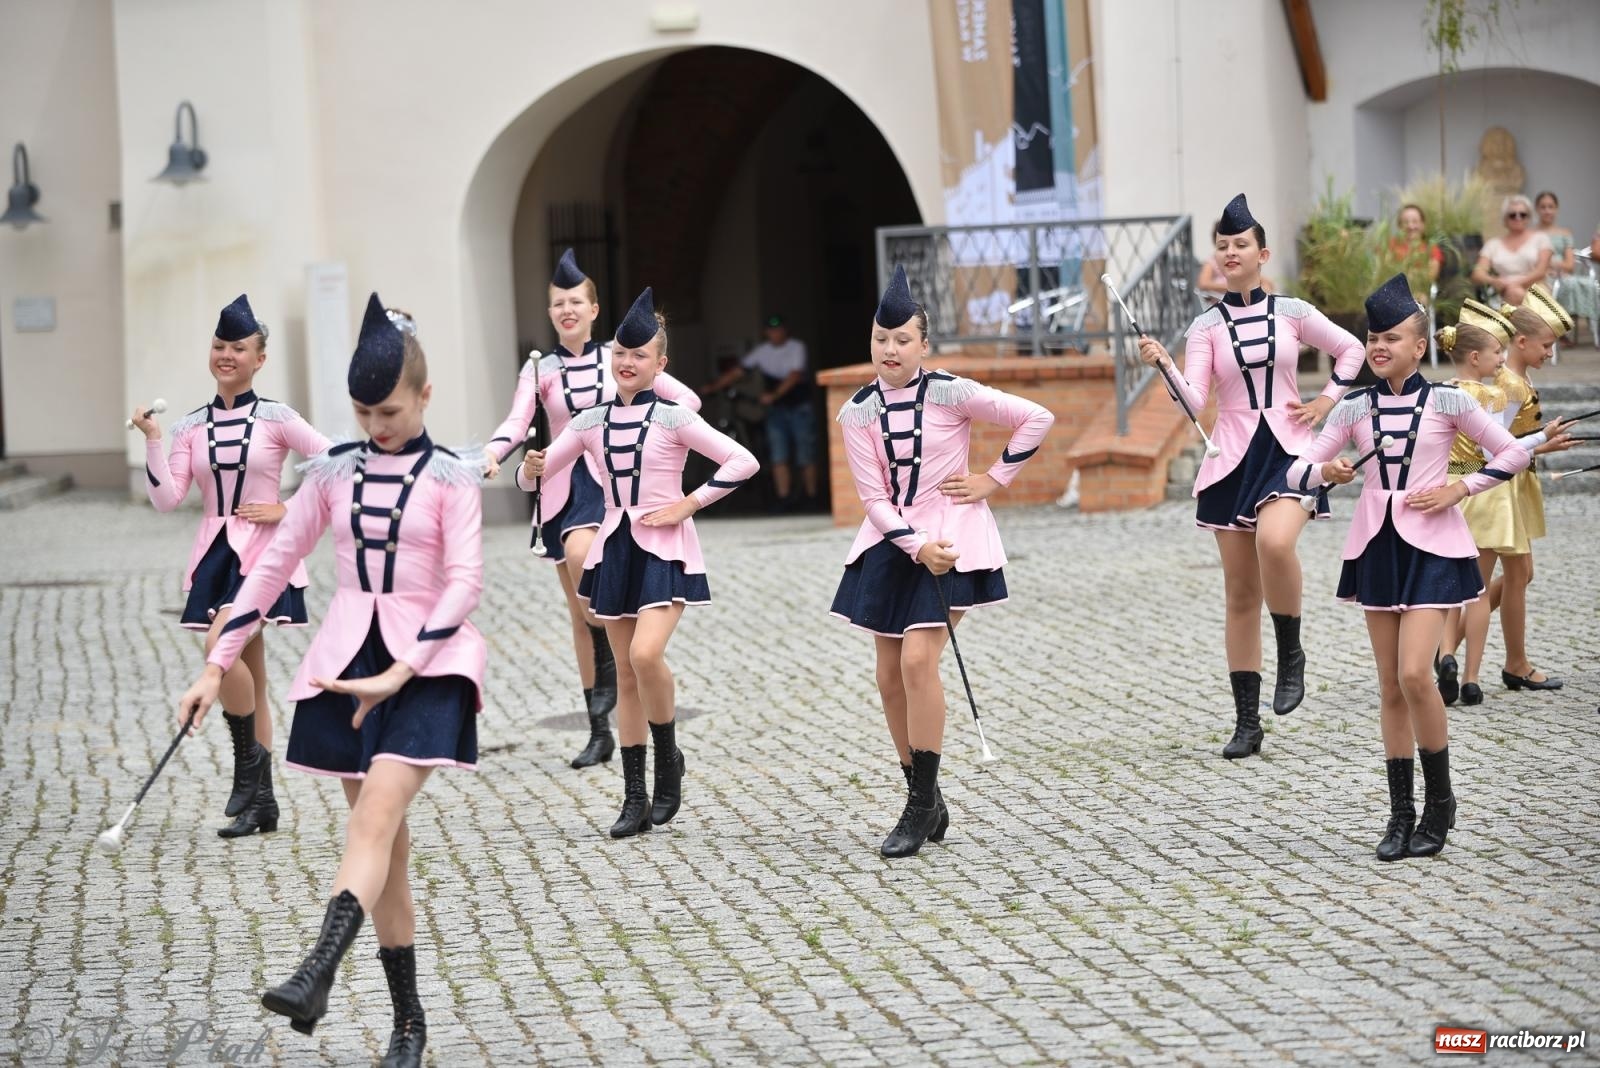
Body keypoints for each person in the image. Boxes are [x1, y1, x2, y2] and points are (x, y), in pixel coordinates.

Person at [177, 295, 486, 1066]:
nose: (375, 426)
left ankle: (316, 970)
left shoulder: (452, 479)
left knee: (374, 821)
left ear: (424, 395)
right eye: (361, 411)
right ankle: (409, 1024)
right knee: (386, 848)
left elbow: (465, 580)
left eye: (388, 410)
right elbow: (273, 564)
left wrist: (404, 669)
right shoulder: (330, 474)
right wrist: (216, 666)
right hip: (346, 665)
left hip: (428, 668)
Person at [1287, 274, 1532, 861]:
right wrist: (1330, 474)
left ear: (1419, 346)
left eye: (1392, 338)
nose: (1379, 347)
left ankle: (1440, 806)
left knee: (1418, 675)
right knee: (1391, 686)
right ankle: (1400, 815)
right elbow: (1296, 470)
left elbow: (1514, 452)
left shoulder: (1449, 401)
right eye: (1373, 337)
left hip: (1434, 549)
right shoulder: (1354, 407)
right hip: (1377, 549)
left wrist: (1459, 490)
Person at [830, 265, 1053, 857]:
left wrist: (993, 478)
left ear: (924, 346)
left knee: (918, 660)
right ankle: (925, 794)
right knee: (887, 675)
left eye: (903, 340)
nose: (890, 350)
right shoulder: (856, 412)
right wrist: (912, 545)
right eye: (881, 339)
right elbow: (873, 498)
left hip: (954, 541)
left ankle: (918, 806)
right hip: (894, 542)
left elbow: (1036, 417)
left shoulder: (953, 391)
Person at [520, 288, 758, 838]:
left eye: (641, 356)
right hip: (614, 548)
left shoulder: (675, 418)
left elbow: (742, 460)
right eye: (621, 355)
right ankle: (633, 795)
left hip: (666, 547)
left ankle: (668, 757)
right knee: (626, 671)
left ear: (660, 364)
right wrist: (530, 468)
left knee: (646, 655)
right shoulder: (589, 421)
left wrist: (688, 502)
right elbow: (535, 475)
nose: (628, 363)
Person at [1137, 194, 1365, 759]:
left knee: (1276, 539)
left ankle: (1291, 648)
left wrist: (1327, 401)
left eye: (1241, 245)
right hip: (1231, 456)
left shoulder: (1293, 311)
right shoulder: (1204, 327)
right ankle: (1246, 722)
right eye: (1222, 246)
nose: (1230, 253)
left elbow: (1352, 349)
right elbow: (1194, 398)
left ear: (1262, 254)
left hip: (1290, 449)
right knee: (1240, 594)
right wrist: (1164, 364)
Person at [481, 249, 701, 770]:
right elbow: (518, 421)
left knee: (596, 599)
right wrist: (493, 452)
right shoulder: (542, 369)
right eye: (558, 303)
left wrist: (655, 442)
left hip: (615, 485)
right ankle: (599, 726)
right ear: (551, 311)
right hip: (562, 485)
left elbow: (685, 401)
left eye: (576, 301)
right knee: (581, 613)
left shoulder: (621, 355)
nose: (567, 310)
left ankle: (619, 692)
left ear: (595, 308)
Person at [134, 294, 330, 838]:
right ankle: (260, 801)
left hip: (267, 556)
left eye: (238, 348)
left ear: (259, 359)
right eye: (219, 346)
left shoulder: (279, 418)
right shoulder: (190, 427)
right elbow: (168, 498)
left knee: (219, 645)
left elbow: (338, 465)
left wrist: (287, 508)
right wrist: (154, 440)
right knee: (252, 677)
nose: (226, 355)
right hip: (214, 558)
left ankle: (246, 773)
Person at [1484, 285, 1577, 693]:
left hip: (1513, 483)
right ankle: (1514, 662)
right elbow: (1493, 440)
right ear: (1521, 342)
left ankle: (1446, 645)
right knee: (1509, 575)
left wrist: (1542, 436)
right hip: (1499, 486)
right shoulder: (1509, 384)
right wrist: (1544, 441)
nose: (1550, 353)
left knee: (1520, 573)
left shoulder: (1512, 379)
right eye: (1546, 345)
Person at [1433, 300, 1519, 706]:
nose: (1501, 359)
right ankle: (1470, 678)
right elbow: (1495, 447)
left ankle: (1445, 654)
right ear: (1474, 357)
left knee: (1450, 586)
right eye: (1496, 352)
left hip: (1448, 486)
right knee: (1479, 591)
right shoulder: (1491, 397)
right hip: (1480, 489)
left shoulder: (1440, 393)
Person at [704, 314, 818, 511]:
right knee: (778, 455)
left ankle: (811, 498)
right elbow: (739, 371)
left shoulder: (796, 347)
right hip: (776, 411)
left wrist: (774, 395)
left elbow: (794, 376)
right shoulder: (762, 352)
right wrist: (713, 388)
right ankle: (784, 499)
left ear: (785, 330)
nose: (775, 333)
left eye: (779, 328)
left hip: (799, 408)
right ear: (766, 332)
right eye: (771, 330)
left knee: (805, 454)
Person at [1471, 194, 1551, 307]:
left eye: (1522, 214)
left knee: (1515, 293)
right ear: (1505, 219)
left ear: (1529, 217)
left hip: (1535, 288)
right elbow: (1477, 274)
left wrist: (1515, 284)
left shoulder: (1541, 238)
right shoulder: (1493, 244)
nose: (1518, 218)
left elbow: (1541, 271)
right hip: (1501, 291)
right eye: (1513, 215)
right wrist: (1493, 281)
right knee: (1514, 293)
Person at [1535, 191, 1599, 332]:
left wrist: (1553, 266)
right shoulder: (1531, 233)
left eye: (1550, 207)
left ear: (1556, 209)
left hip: (1561, 276)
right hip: (1537, 275)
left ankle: (1562, 328)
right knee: (1541, 286)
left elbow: (1569, 265)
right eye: (1543, 207)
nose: (1547, 211)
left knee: (1571, 285)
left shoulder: (1564, 233)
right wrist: (1544, 270)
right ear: (1537, 209)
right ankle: (1548, 331)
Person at [1390, 203, 1443, 294]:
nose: (1410, 226)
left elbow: (1430, 276)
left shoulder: (1432, 249)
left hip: (1419, 294)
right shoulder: (1390, 245)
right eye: (1406, 222)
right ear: (1399, 225)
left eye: (1415, 222)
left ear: (1423, 225)